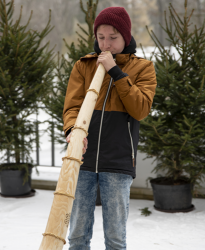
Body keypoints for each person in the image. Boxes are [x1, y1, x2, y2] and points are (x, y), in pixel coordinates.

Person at [63, 6, 157, 250]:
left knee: (115, 237)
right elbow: (72, 107)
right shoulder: (83, 66)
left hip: (118, 158)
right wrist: (72, 130)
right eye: (101, 37)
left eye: (113, 38)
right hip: (81, 158)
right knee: (77, 235)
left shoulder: (143, 68)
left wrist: (116, 72)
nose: (106, 44)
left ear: (126, 36)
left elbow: (140, 109)